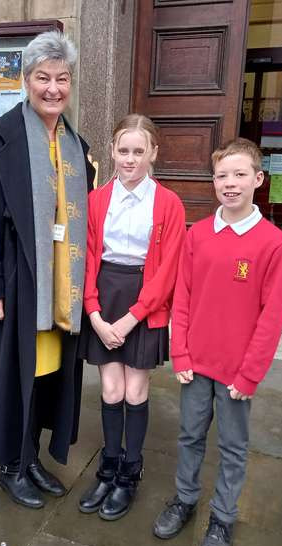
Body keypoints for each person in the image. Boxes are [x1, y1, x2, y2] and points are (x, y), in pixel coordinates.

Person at [0, 31, 95, 510]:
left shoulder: (76, 144)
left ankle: (31, 456)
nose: (53, 88)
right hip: (17, 280)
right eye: (43, 77)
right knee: (10, 375)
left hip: (60, 282)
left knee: (45, 373)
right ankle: (8, 465)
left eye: (62, 78)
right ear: (26, 80)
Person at [152, 138, 282, 546]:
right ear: (213, 182)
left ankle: (224, 517)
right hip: (196, 366)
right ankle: (185, 498)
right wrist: (182, 353)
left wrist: (250, 374)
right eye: (222, 176)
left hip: (235, 374)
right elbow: (184, 297)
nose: (230, 184)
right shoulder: (198, 235)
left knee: (232, 447)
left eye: (240, 175)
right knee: (190, 436)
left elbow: (272, 316)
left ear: (258, 179)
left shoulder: (271, 243)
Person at [78, 114, 186, 520]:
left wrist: (131, 318)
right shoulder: (96, 200)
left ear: (153, 153)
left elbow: (167, 269)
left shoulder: (169, 204)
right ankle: (108, 468)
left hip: (145, 300)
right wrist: (93, 312)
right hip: (105, 295)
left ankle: (130, 474)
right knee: (109, 389)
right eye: (123, 150)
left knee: (134, 390)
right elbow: (88, 258)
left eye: (139, 151)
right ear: (111, 151)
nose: (130, 159)